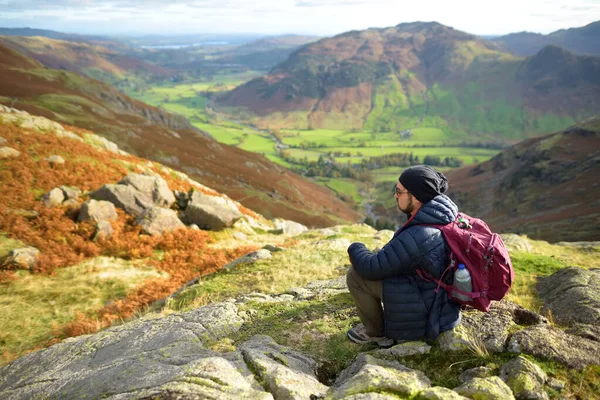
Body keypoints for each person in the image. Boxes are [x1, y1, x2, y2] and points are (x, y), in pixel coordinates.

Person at [346, 165, 461, 346]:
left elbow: (370, 268)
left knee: (355, 275)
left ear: (415, 197)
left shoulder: (420, 234)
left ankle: (376, 332)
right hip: (440, 300)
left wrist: (355, 247)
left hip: (427, 312)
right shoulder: (443, 215)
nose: (395, 195)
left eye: (399, 192)